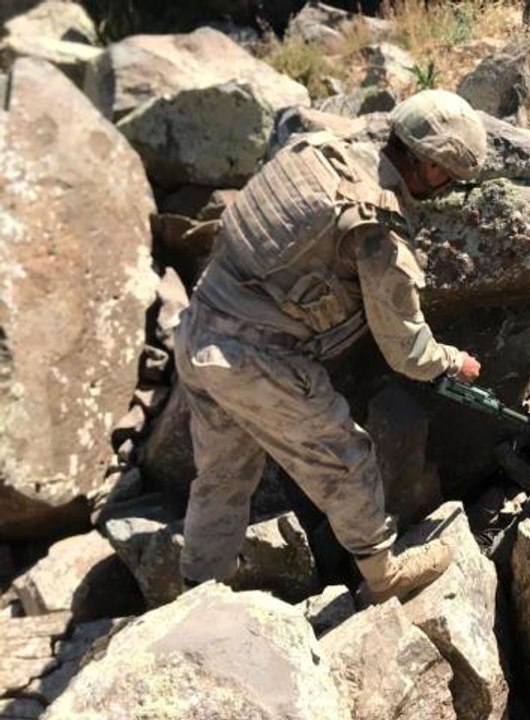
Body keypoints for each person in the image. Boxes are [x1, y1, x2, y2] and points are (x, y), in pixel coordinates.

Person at [173, 89, 487, 603]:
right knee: (347, 458)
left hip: (200, 326)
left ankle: (198, 589)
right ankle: (385, 577)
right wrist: (452, 361)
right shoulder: (377, 226)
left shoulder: (323, 149)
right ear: (428, 165)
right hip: (256, 359)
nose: (449, 187)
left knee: (224, 474)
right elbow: (404, 349)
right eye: (448, 175)